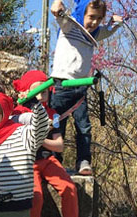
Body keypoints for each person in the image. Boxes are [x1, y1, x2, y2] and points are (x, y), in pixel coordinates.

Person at [11, 70, 95, 217]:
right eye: (39, 89)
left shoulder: (53, 114)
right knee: (35, 196)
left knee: (68, 187)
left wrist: (41, 138)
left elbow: (58, 145)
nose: (44, 94)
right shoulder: (18, 112)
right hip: (27, 161)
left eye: (46, 89)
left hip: (48, 159)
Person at [49, 0, 122, 175]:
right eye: (91, 17)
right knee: (58, 124)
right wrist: (57, 5)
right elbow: (57, 11)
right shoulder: (69, 27)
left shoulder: (94, 34)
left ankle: (83, 161)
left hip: (80, 87)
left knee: (84, 127)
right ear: (81, 13)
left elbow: (108, 31)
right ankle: (53, 161)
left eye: (99, 18)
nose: (94, 22)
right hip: (61, 85)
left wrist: (116, 22)